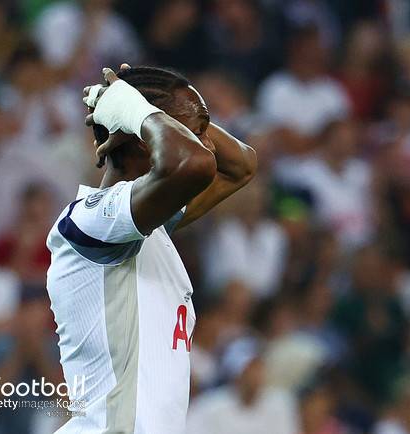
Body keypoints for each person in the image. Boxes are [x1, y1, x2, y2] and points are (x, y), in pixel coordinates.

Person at [46, 64, 257, 434]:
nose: (208, 145)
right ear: (146, 140)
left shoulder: (149, 228)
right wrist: (135, 109)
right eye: (194, 133)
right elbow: (194, 163)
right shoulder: (89, 223)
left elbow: (240, 166)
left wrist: (138, 107)